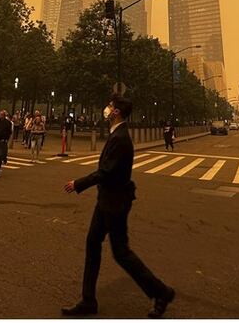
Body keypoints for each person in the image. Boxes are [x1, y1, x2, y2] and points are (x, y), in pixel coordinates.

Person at [62, 95, 175, 318]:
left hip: (114, 203)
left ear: (116, 112)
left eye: (110, 106)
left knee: (121, 252)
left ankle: (161, 292)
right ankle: (88, 300)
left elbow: (106, 172)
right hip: (107, 200)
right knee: (94, 244)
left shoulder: (121, 138)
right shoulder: (118, 135)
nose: (107, 109)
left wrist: (78, 183)